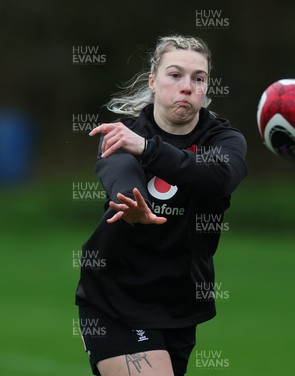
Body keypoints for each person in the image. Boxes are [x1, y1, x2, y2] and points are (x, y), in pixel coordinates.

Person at [75, 35, 247, 376]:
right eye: (175, 75)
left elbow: (217, 179)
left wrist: (149, 149)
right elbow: (121, 178)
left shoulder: (224, 141)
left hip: (179, 305)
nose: (187, 87)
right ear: (153, 81)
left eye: (198, 78)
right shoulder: (122, 134)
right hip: (115, 297)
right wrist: (133, 207)